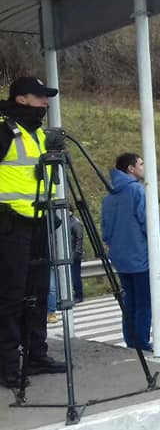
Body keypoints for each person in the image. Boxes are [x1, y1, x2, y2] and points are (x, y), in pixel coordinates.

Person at [0, 77, 68, 386]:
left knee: (38, 294)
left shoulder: (39, 133)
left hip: (41, 221)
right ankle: (8, 365)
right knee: (11, 296)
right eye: (40, 96)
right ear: (22, 99)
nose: (45, 102)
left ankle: (36, 354)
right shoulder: (3, 129)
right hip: (10, 224)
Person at [101, 152, 160, 351]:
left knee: (129, 301)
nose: (144, 167)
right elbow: (151, 225)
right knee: (144, 303)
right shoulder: (139, 192)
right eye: (140, 164)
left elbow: (105, 230)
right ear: (130, 168)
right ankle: (141, 342)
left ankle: (131, 340)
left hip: (121, 257)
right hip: (141, 256)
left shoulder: (110, 196)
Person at [69, 207, 84, 302]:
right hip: (70, 253)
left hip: (74, 254)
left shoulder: (75, 223)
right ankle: (76, 294)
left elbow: (79, 239)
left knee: (75, 276)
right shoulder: (68, 222)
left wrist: (76, 253)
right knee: (73, 276)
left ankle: (79, 295)